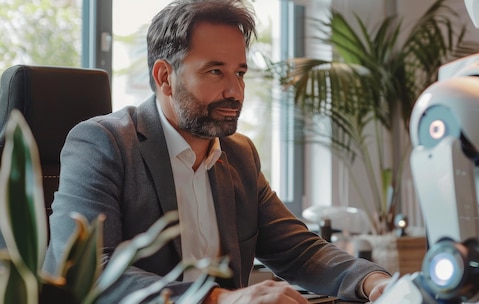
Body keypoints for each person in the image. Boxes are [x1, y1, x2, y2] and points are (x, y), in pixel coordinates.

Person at [43, 0, 391, 303]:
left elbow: (298, 251)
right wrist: (218, 299)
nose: (235, 91)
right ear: (165, 77)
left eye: (239, 73)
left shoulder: (239, 154)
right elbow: (87, 271)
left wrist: (375, 283)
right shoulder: (103, 144)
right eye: (215, 71)